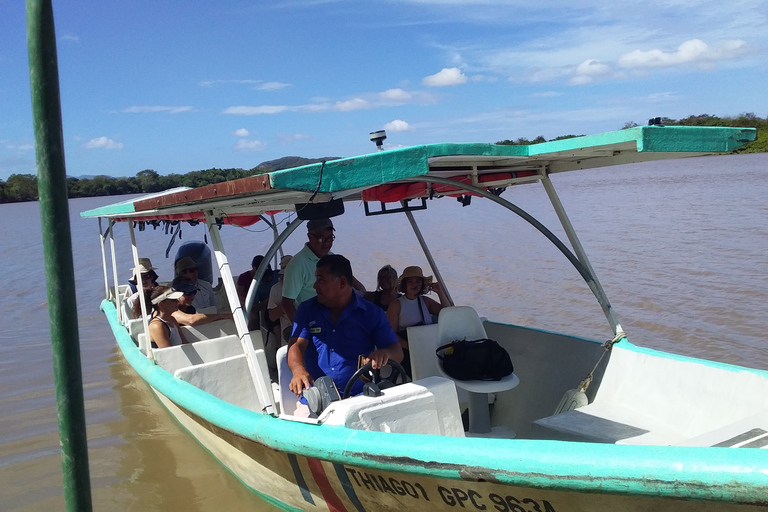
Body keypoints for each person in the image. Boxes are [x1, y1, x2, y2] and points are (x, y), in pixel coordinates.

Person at [287, 254, 402, 397]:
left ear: (342, 282)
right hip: (316, 398)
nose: (315, 285)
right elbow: (296, 345)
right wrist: (298, 370)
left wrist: (385, 353)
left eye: (321, 280)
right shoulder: (306, 310)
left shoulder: (372, 314)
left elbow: (397, 352)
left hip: (360, 397)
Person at [281, 218, 365, 326]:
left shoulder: (331, 257)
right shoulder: (296, 265)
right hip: (314, 325)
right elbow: (287, 304)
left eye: (330, 238)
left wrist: (364, 295)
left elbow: (354, 283)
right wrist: (302, 331)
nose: (327, 243)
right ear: (310, 237)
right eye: (321, 239)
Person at [386, 266, 450, 377]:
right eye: (410, 281)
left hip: (428, 347)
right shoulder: (396, 305)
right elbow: (390, 333)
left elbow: (448, 313)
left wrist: (439, 292)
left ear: (422, 284)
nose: (414, 284)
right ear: (404, 285)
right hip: (407, 351)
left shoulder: (426, 301)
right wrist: (407, 346)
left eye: (417, 281)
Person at [237, 255, 278, 330]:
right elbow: (239, 295)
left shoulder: (277, 276)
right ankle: (252, 336)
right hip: (251, 303)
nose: (268, 278)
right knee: (253, 318)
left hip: (272, 302)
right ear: (254, 267)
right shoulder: (247, 279)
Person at [267, 255, 294, 344]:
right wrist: (287, 301)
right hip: (289, 327)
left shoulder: (306, 284)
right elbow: (272, 317)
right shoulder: (276, 289)